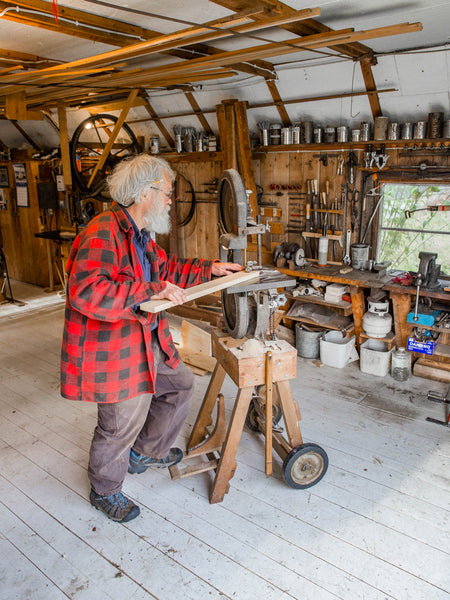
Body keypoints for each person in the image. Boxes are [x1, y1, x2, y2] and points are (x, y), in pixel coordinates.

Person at [61, 154, 242, 523]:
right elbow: (86, 291)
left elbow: (166, 268)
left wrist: (210, 268)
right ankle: (105, 490)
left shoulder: (140, 233)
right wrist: (148, 292)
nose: (170, 200)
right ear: (145, 193)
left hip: (146, 340)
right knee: (118, 425)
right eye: (167, 192)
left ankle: (144, 454)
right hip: (115, 350)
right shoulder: (103, 232)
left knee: (179, 385)